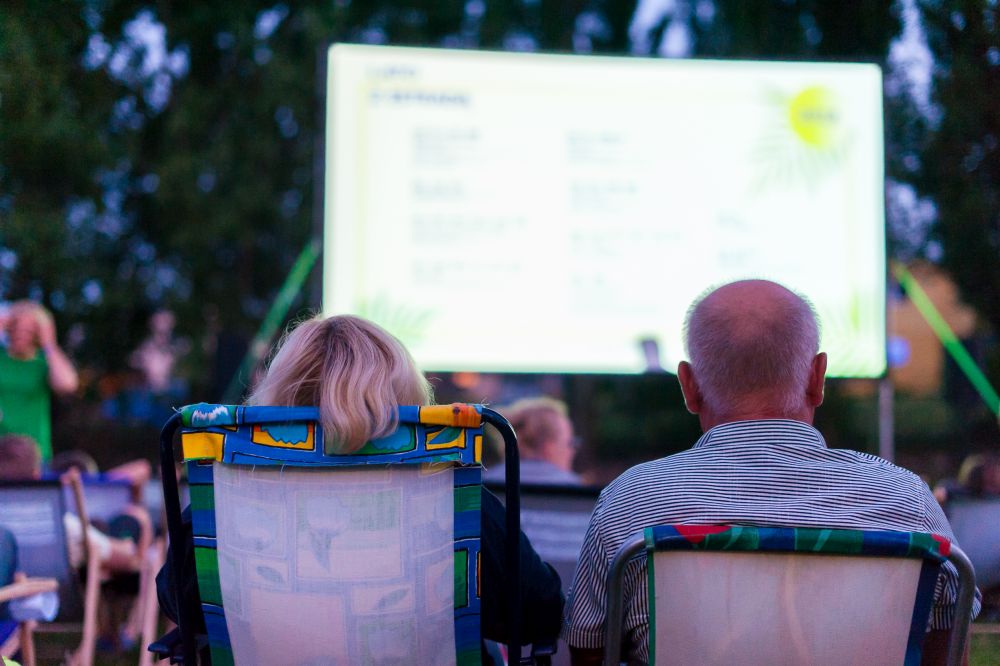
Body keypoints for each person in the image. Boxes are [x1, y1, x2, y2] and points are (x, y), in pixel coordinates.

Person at [562, 280, 981, 666]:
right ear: (817, 377)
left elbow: (588, 651)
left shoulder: (631, 502)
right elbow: (949, 653)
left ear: (688, 385)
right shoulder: (906, 500)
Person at [157, 314, 564, 652]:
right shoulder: (452, 505)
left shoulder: (232, 506)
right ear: (407, 398)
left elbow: (177, 599)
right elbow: (540, 611)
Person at [0, 435, 151, 576]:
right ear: (37, 475)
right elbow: (129, 558)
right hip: (54, 595)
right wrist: (142, 520)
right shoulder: (58, 525)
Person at [0, 302, 79, 463]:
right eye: (16, 327)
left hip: (35, 453)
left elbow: (67, 385)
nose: (21, 334)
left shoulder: (44, 363)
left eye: (28, 330)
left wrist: (49, 344)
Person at [484, 397, 583, 486]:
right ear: (549, 448)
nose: (572, 451)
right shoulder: (574, 487)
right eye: (570, 443)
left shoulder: (485, 483)